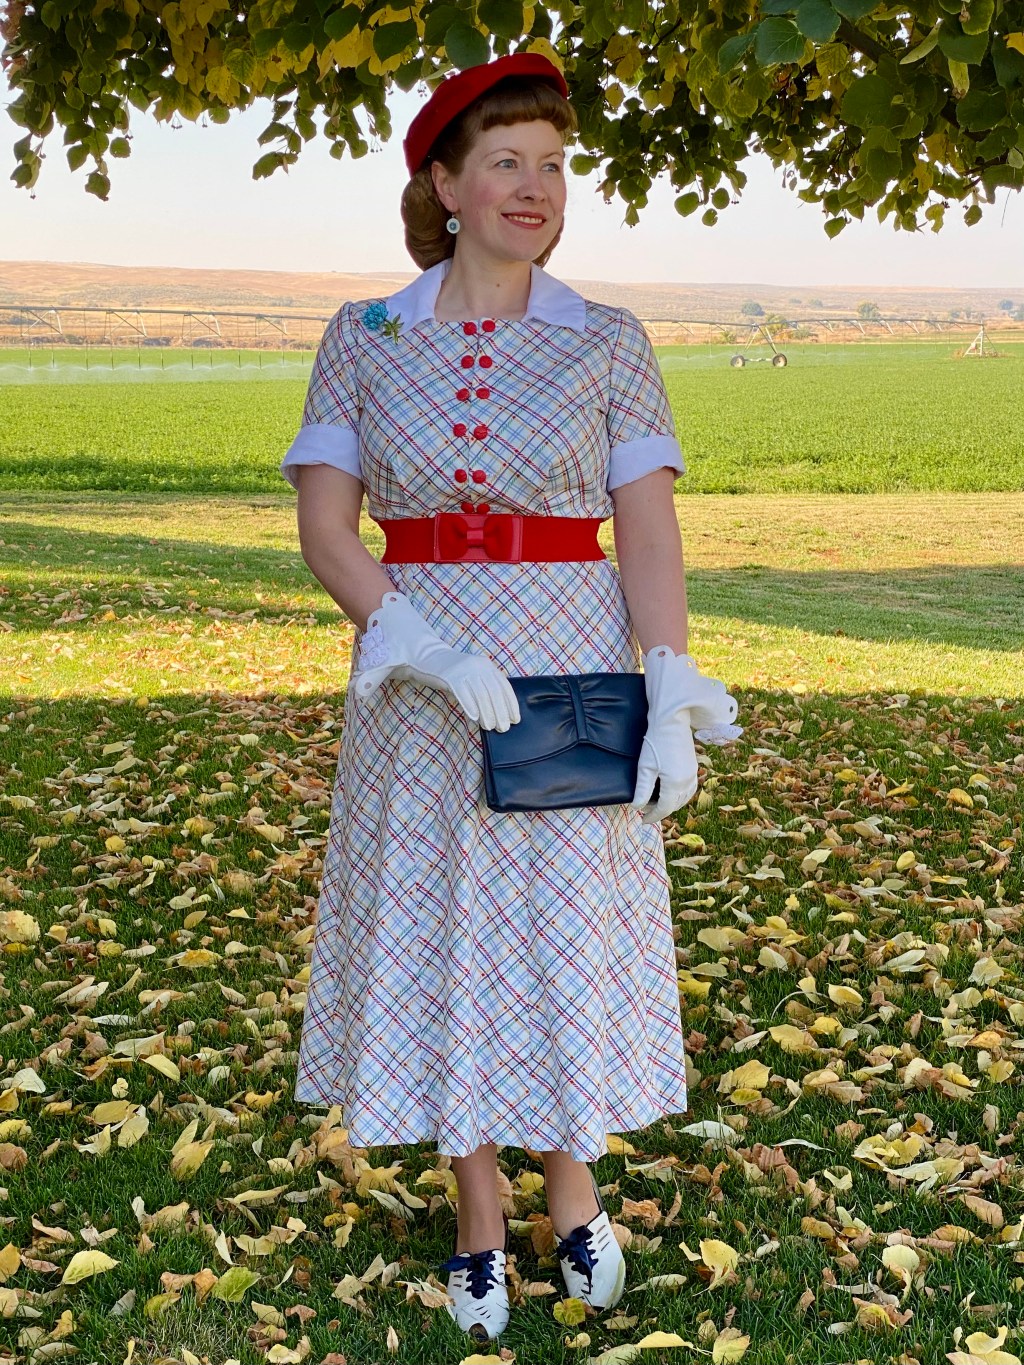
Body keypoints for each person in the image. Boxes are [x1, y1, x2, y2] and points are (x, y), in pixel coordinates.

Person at [279, 51, 743, 1343]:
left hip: (571, 664)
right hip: (417, 679)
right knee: (444, 930)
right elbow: (328, 528)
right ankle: (480, 1209)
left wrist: (665, 680)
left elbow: (646, 530)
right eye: (505, 163)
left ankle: (575, 1184)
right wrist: (410, 636)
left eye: (552, 164)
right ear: (444, 182)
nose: (534, 188)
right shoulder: (363, 338)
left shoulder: (607, 340)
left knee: (556, 927)